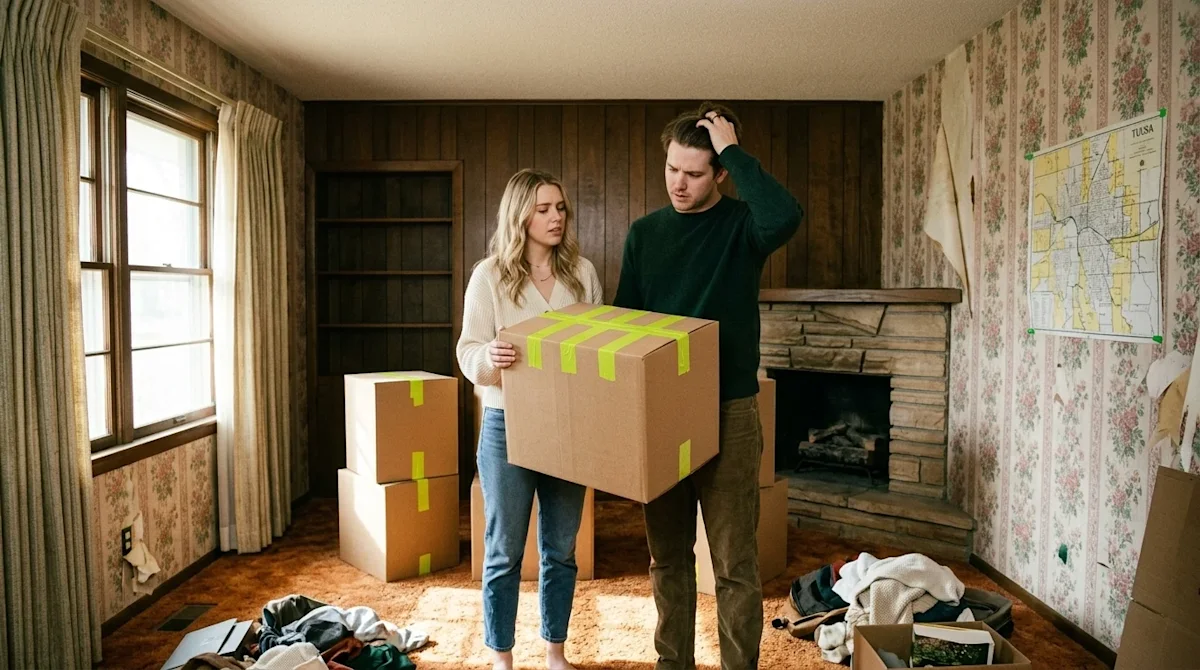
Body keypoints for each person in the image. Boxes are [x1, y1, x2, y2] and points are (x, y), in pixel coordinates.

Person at [614, 103, 803, 669]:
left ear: (720, 172)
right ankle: (672, 663)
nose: (679, 183)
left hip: (730, 411)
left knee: (734, 564)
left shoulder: (744, 225)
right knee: (667, 559)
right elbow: (624, 325)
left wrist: (734, 150)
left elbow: (785, 216)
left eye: (694, 173)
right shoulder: (644, 234)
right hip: (661, 414)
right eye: (672, 168)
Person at [456, 168, 604, 670]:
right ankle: (502, 658)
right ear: (519, 215)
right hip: (507, 425)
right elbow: (467, 351)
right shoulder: (489, 276)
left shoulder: (582, 273)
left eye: (560, 208)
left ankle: (555, 652)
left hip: (569, 427)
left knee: (561, 548)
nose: (555, 217)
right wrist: (489, 358)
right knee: (503, 550)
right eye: (543, 209)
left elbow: (601, 349)